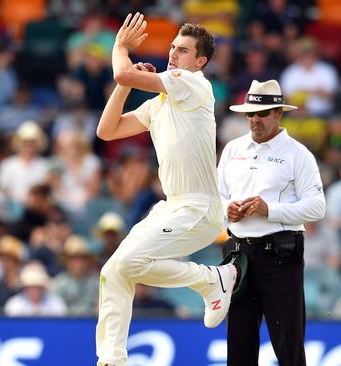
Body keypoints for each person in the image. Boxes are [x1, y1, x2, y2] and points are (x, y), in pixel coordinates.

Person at [94, 14, 237, 366]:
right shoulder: (160, 101)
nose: (174, 54)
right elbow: (106, 131)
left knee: (129, 262)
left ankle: (212, 278)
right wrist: (126, 86)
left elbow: (120, 71)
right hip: (173, 206)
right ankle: (111, 359)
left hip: (200, 208)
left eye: (183, 50)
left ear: (199, 62)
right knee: (114, 271)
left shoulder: (192, 83)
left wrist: (120, 49)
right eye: (173, 48)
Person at [218, 79, 326, 366]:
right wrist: (227, 210)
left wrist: (270, 210)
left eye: (262, 114)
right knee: (238, 344)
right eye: (250, 114)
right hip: (238, 254)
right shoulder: (232, 149)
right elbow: (216, 196)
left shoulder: (297, 154)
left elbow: (317, 207)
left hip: (279, 253)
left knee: (288, 344)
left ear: (279, 113)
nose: (255, 120)